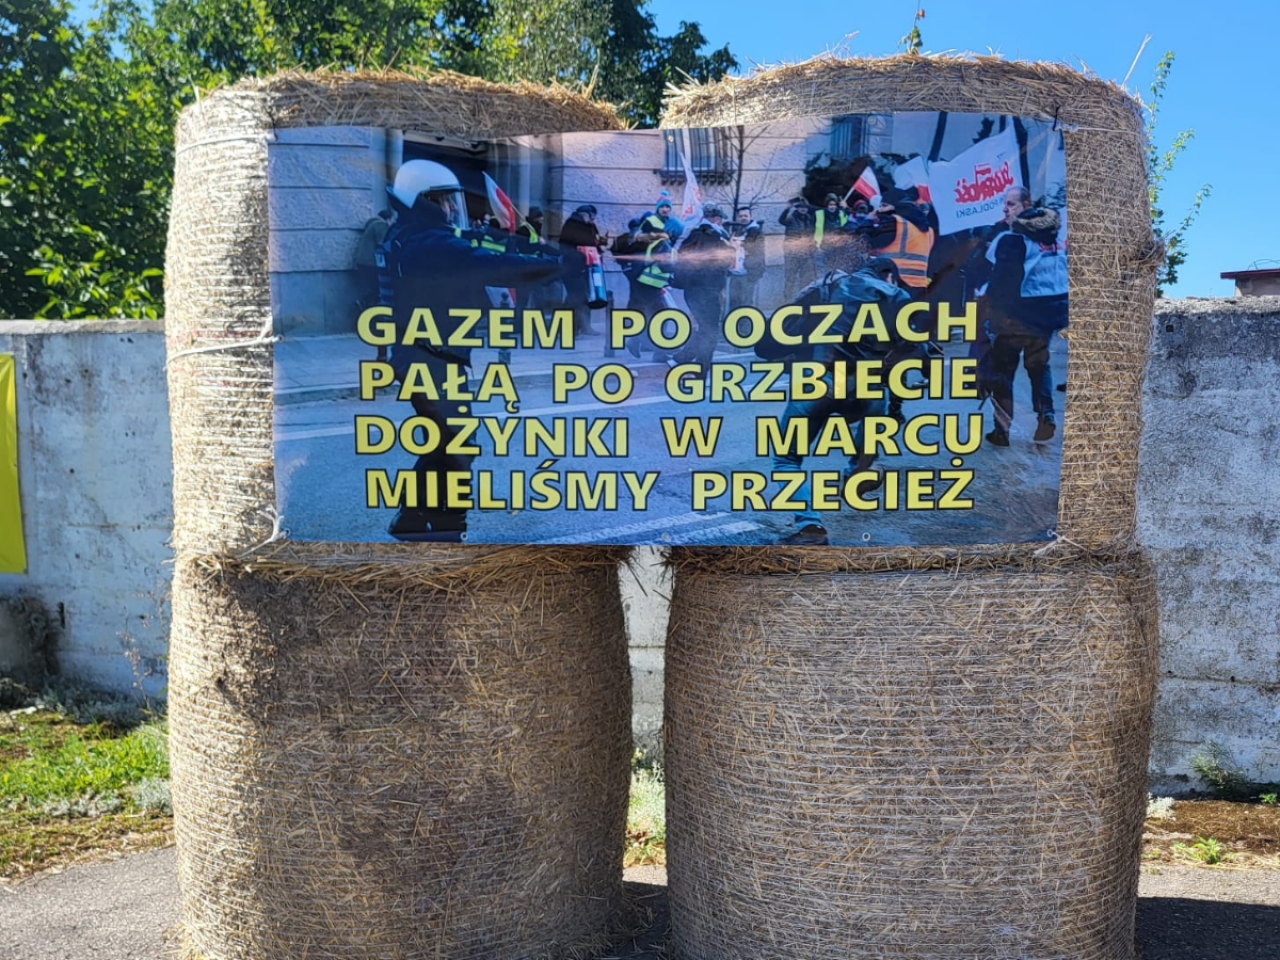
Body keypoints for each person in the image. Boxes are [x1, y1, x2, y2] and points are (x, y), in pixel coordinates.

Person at [378, 159, 561, 541]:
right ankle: (448, 528)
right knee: (460, 446)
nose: (450, 209)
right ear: (422, 201)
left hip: (420, 357)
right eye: (443, 201)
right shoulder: (431, 243)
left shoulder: (406, 236)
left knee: (441, 443)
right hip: (432, 362)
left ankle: (411, 519)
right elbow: (490, 265)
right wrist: (554, 266)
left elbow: (474, 253)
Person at [767, 251, 916, 545]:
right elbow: (912, 348)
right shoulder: (897, 296)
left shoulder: (829, 284)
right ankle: (856, 474)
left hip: (820, 381)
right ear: (889, 276)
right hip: (868, 384)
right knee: (874, 424)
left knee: (787, 457)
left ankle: (811, 527)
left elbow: (790, 322)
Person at [983, 188, 1069, 446]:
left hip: (1017, 315)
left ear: (1025, 206)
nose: (1006, 209)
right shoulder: (1054, 237)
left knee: (1003, 373)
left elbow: (999, 283)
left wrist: (993, 317)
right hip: (1048, 314)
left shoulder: (1011, 240)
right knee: (1039, 365)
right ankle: (1047, 415)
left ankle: (1002, 430)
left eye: (1010, 204)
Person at [672, 205, 737, 373]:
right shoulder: (718, 238)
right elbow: (721, 262)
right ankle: (702, 366)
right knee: (710, 329)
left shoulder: (693, 234)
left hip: (692, 290)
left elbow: (681, 258)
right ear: (717, 219)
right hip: (708, 289)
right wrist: (731, 249)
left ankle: (683, 357)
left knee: (703, 326)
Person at [559, 204, 608, 336]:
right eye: (591, 216)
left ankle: (575, 327)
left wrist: (601, 245)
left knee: (580, 297)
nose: (592, 219)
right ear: (585, 214)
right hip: (574, 267)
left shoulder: (589, 226)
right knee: (577, 297)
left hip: (587, 267)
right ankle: (574, 327)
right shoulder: (574, 224)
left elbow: (593, 243)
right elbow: (571, 245)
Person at [727, 206, 765, 311]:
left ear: (750, 216)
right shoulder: (736, 230)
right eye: (741, 216)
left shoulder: (756, 231)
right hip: (734, 274)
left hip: (747, 274)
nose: (743, 218)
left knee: (746, 305)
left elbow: (757, 251)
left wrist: (740, 244)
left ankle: (746, 327)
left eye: (745, 216)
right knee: (733, 304)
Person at [778, 195, 815, 301]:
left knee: (805, 279)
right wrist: (787, 209)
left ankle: (803, 300)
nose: (803, 209)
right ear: (797, 208)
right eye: (800, 207)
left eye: (805, 207)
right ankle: (788, 301)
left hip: (806, 254)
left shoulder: (809, 219)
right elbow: (781, 221)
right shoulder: (790, 217)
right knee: (790, 279)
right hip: (792, 254)